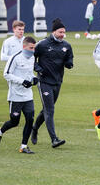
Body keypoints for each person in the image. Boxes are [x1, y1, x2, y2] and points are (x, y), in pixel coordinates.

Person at [30, 18, 73, 148]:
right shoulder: (42, 44)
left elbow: (69, 59)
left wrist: (69, 64)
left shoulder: (66, 46)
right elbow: (30, 57)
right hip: (44, 82)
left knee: (46, 110)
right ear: (54, 31)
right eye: (60, 32)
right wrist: (37, 69)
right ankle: (54, 139)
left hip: (57, 82)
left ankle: (35, 128)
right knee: (50, 110)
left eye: (64, 32)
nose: (62, 35)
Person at [0, 36, 38, 154]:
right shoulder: (15, 58)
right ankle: (0, 132)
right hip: (15, 96)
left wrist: (34, 79)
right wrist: (22, 81)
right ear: (24, 47)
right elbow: (6, 74)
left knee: (30, 120)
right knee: (14, 122)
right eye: (31, 48)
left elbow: (30, 73)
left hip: (28, 96)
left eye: (34, 48)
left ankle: (23, 146)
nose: (33, 50)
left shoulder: (32, 57)